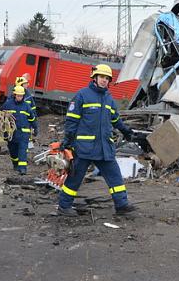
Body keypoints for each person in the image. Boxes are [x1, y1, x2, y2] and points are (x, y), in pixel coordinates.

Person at [57, 64, 136, 217]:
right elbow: (71, 121)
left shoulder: (109, 99)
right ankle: (64, 206)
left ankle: (121, 204)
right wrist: (68, 141)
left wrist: (126, 131)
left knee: (115, 176)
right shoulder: (82, 95)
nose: (104, 81)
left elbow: (116, 119)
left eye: (107, 78)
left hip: (104, 148)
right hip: (84, 148)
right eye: (101, 77)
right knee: (75, 178)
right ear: (95, 78)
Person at [2, 85, 37, 174]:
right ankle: (15, 164)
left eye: (21, 96)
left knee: (22, 151)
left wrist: (35, 128)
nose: (20, 97)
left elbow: (32, 118)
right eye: (18, 95)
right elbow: (1, 115)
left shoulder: (26, 106)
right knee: (12, 149)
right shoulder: (8, 104)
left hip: (23, 133)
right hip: (12, 132)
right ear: (14, 95)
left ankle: (23, 169)